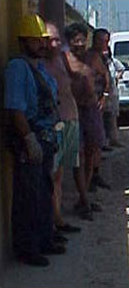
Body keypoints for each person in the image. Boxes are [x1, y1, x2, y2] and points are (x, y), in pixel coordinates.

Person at [5, 14, 66, 267]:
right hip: (30, 140)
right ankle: (27, 248)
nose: (41, 45)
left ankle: (44, 239)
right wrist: (28, 139)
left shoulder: (38, 67)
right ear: (23, 41)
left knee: (43, 193)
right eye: (35, 41)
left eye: (42, 40)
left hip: (46, 138)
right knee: (28, 197)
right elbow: (15, 108)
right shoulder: (18, 68)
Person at [44, 22, 86, 232]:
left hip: (71, 119)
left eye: (57, 39)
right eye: (50, 39)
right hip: (56, 124)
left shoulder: (61, 58)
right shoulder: (41, 64)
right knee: (53, 175)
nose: (55, 43)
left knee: (61, 173)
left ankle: (58, 218)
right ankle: (55, 220)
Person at [63, 23, 107, 209]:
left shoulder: (93, 57)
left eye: (82, 40)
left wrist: (103, 96)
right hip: (73, 112)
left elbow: (105, 77)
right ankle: (84, 197)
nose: (79, 44)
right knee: (77, 154)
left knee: (92, 151)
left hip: (91, 109)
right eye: (75, 40)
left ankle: (85, 195)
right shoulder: (64, 59)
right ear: (69, 42)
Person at [86, 28, 112, 192]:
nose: (105, 44)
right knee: (90, 144)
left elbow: (106, 77)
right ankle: (89, 177)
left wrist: (105, 96)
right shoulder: (90, 56)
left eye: (106, 41)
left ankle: (94, 174)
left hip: (97, 103)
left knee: (96, 143)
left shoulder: (102, 57)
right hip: (88, 103)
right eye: (102, 41)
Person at [103, 47, 125, 147]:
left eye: (106, 51)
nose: (105, 53)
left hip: (113, 93)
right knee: (103, 118)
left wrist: (117, 76)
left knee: (113, 117)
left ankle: (114, 139)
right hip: (102, 95)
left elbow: (121, 68)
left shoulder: (113, 62)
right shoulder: (98, 62)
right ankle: (104, 142)